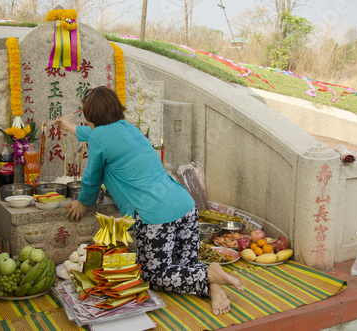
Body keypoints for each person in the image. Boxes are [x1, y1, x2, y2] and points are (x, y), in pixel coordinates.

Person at [56, 86, 243, 315]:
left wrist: (82, 202)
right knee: (183, 265)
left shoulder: (100, 137)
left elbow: (92, 176)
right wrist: (69, 127)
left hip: (155, 214)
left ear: (89, 114)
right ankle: (210, 282)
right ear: (116, 108)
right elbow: (95, 136)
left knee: (153, 275)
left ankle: (207, 274)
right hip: (185, 206)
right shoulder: (130, 130)